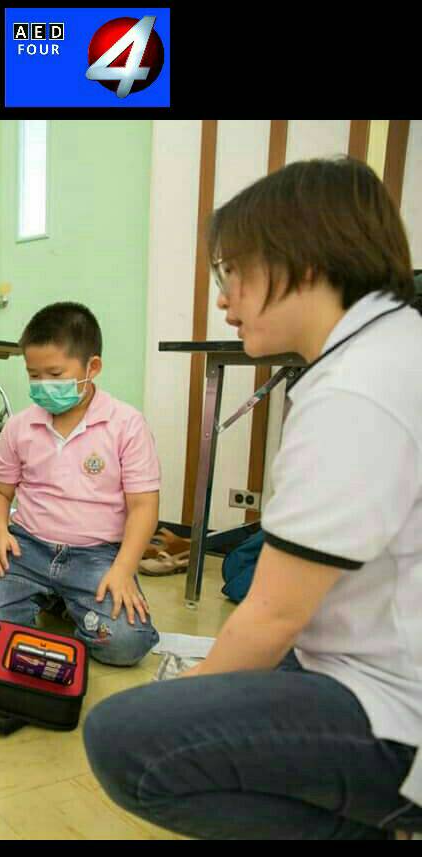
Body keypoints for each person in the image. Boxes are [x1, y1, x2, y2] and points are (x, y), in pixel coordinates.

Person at [85, 158, 422, 839]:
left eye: (232, 271)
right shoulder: (391, 348)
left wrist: (193, 690)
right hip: (375, 654)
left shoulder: (356, 389)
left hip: (399, 710)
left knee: (126, 738)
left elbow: (272, 616)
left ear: (304, 260)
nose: (223, 299)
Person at [0, 302, 161, 666]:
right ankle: (61, 601)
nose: (43, 385)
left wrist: (122, 569)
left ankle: (66, 602)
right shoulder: (20, 426)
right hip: (27, 549)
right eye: (34, 375)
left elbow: (143, 506)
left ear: (93, 367)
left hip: (97, 555)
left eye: (55, 374)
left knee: (125, 643)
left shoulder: (126, 424)